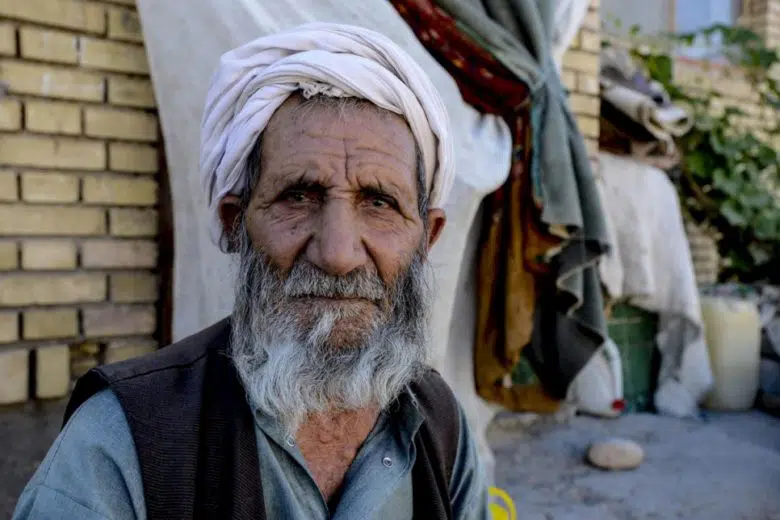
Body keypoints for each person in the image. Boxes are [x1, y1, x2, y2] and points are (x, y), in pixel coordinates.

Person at [13, 23, 488, 520]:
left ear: (427, 237)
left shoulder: (440, 425)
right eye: (298, 197)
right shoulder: (121, 442)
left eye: (379, 202)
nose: (338, 254)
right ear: (235, 223)